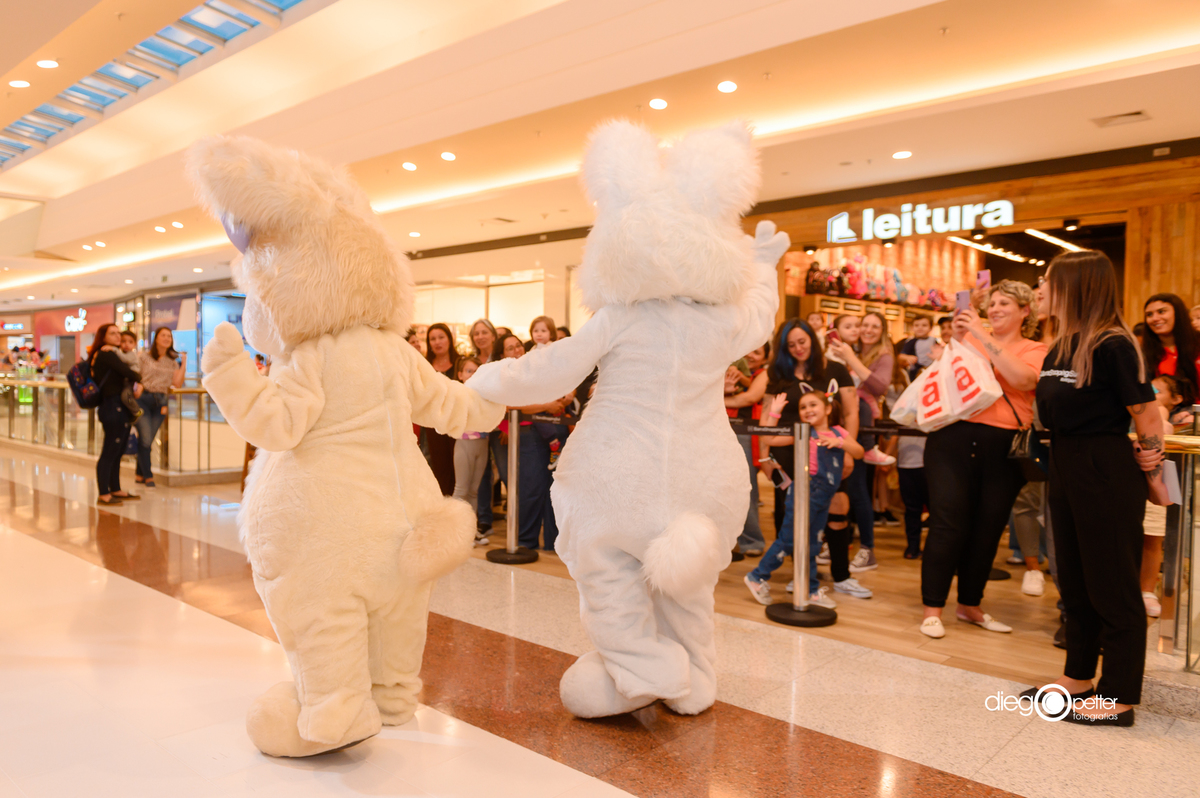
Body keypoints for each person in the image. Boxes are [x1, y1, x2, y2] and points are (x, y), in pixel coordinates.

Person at [1031, 249, 1166, 727]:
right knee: (1076, 581)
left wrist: (1152, 455)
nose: (1041, 290)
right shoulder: (1062, 344)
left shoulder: (1114, 344)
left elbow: (1147, 413)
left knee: (1112, 583)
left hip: (1104, 469)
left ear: (1077, 287)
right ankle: (1077, 678)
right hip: (1066, 465)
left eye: (1048, 281)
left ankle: (1119, 695)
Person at [919, 279, 1046, 640]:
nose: (995, 308)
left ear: (1025, 310)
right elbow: (945, 380)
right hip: (951, 439)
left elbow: (1022, 379)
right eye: (992, 303)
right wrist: (959, 339)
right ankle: (932, 609)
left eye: (1005, 302)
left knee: (988, 528)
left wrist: (979, 332)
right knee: (947, 522)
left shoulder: (1036, 348)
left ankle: (970, 605)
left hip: (1003, 446)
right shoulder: (969, 339)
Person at [747, 390, 866, 605]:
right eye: (803, 407)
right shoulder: (803, 433)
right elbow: (768, 438)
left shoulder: (838, 432)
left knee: (813, 542)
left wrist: (838, 443)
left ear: (828, 409)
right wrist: (774, 414)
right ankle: (757, 576)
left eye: (813, 405)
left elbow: (858, 452)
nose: (807, 410)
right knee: (789, 539)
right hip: (804, 493)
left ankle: (810, 590)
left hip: (824, 496)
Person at [825, 314, 889, 571]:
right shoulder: (844, 351)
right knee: (842, 490)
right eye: (863, 325)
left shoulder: (882, 355)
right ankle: (838, 544)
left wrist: (850, 358)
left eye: (875, 326)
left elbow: (878, 387)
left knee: (860, 490)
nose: (866, 330)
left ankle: (867, 549)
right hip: (835, 426)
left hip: (859, 430)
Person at [492, 332, 564, 550]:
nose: (517, 350)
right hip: (519, 434)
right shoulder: (504, 374)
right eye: (510, 348)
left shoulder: (528, 370)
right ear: (502, 354)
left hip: (536, 432)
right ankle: (524, 540)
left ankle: (540, 541)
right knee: (528, 489)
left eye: (518, 346)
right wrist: (546, 405)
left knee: (541, 487)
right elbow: (511, 405)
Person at [89, 323, 143, 506]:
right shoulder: (106, 354)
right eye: (112, 333)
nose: (117, 336)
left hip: (119, 408)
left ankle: (115, 488)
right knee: (110, 451)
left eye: (118, 333)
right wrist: (138, 379)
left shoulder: (114, 353)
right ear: (103, 337)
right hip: (112, 407)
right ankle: (103, 493)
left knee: (118, 451)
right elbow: (130, 373)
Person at [725, 344, 770, 555]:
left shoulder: (764, 374)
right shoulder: (726, 365)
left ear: (765, 358)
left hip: (745, 430)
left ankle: (752, 540)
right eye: (749, 350)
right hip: (720, 425)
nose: (751, 355)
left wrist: (718, 398)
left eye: (758, 352)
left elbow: (750, 397)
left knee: (746, 485)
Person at [134, 327, 186, 488]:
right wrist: (139, 385)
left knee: (147, 439)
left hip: (161, 402)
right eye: (163, 335)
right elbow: (134, 374)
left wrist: (183, 363)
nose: (166, 338)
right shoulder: (144, 357)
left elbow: (177, 383)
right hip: (143, 399)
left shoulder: (172, 361)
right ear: (156, 338)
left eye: (169, 336)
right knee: (146, 437)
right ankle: (148, 476)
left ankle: (139, 473)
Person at [452, 357, 493, 546]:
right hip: (464, 443)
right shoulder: (458, 394)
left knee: (474, 491)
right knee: (461, 489)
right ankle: (454, 533)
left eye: (476, 371)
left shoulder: (484, 395)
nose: (472, 374)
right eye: (469, 371)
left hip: (482, 443)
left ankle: (470, 531)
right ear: (460, 375)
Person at [1142, 293, 1200, 406]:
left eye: (1161, 312)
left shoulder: (1197, 344)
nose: (1155, 318)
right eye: (1149, 314)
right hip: (1167, 415)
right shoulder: (1144, 354)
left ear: (1178, 313)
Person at [423, 323, 460, 495]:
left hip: (457, 421)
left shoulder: (461, 362)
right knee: (438, 465)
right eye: (433, 339)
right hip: (433, 423)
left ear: (449, 339)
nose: (437, 342)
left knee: (458, 465)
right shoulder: (424, 365)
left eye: (441, 337)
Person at [115, 330, 144, 421]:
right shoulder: (124, 353)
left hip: (131, 380)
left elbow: (125, 359)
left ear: (135, 344)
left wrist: (114, 350)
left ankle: (136, 410)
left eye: (130, 342)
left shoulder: (131, 354)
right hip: (128, 380)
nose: (126, 344)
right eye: (123, 341)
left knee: (126, 396)